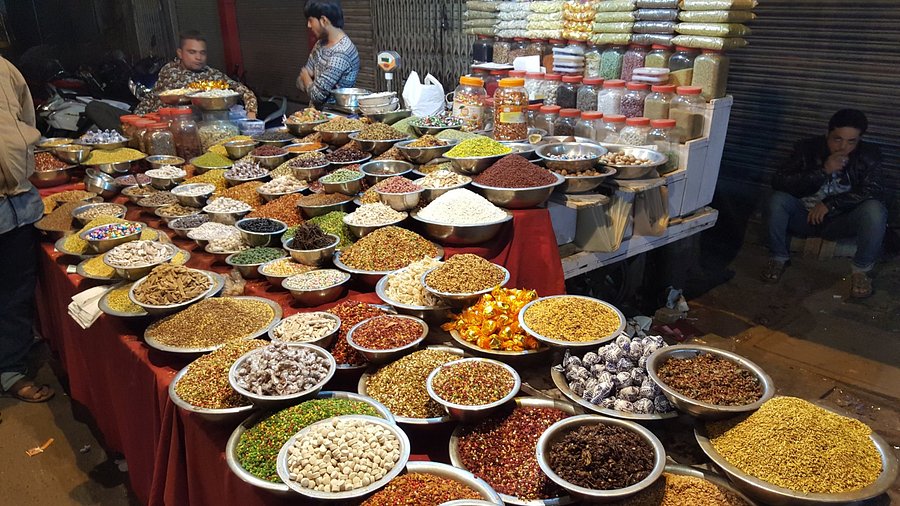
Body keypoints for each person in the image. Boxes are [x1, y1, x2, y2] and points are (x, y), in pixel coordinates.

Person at [762, 109, 886, 298]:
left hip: (840, 221)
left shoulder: (869, 155)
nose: (843, 147)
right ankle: (778, 257)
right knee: (777, 200)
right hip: (804, 216)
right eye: (837, 139)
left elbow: (873, 190)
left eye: (851, 141)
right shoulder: (806, 149)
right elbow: (779, 181)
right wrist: (823, 170)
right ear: (827, 134)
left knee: (875, 210)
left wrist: (830, 204)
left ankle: (861, 271)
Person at [0, 56, 55, 405]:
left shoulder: (4, 69)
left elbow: (23, 119)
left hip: (16, 201)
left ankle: (10, 369)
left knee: (16, 291)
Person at [86, 30, 258, 129]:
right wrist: (137, 117)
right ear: (180, 53)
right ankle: (128, 133)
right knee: (95, 107)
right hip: (145, 120)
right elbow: (154, 96)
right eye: (192, 52)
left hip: (179, 128)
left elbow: (245, 92)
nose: (198, 57)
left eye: (202, 52)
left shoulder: (213, 75)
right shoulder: (168, 69)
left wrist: (251, 116)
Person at [297, 1, 360, 106]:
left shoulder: (341, 53)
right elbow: (300, 82)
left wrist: (305, 77)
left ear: (323, 21)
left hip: (335, 118)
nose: (308, 25)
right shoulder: (320, 43)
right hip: (316, 116)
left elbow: (317, 96)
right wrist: (307, 80)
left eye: (310, 20)